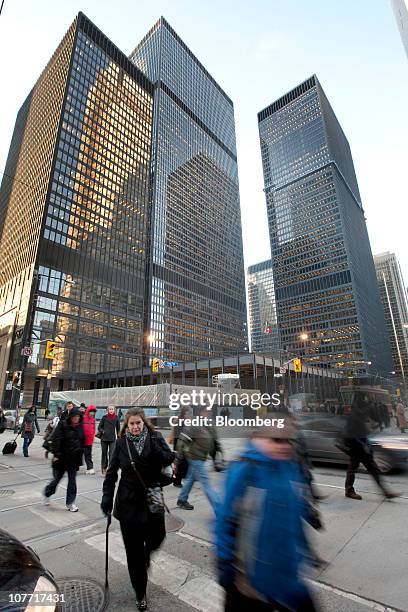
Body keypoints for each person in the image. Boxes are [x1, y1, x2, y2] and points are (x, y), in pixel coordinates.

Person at [216, 418, 317, 611]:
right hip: (250, 583)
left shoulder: (291, 470)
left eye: (288, 440)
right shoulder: (245, 470)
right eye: (276, 440)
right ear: (259, 438)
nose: (284, 446)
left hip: (288, 578)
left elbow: (295, 520)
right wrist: (225, 565)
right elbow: (225, 520)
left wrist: (307, 551)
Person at [101, 408, 175, 610]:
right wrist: (106, 499)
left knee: (158, 537)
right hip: (128, 503)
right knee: (133, 554)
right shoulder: (121, 443)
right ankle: (140, 593)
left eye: (138, 423)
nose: (135, 427)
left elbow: (169, 459)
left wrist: (155, 444)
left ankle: (146, 556)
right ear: (127, 425)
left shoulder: (155, 437)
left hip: (153, 497)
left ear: (144, 423)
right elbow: (111, 473)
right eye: (132, 424)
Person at [342, 394, 399, 500]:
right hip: (357, 448)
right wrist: (363, 444)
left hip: (362, 447)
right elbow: (351, 433)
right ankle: (349, 490)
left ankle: (385, 492)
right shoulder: (354, 416)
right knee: (354, 469)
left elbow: (363, 431)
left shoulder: (359, 415)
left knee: (373, 469)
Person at [176, 406, 219, 511]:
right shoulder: (193, 424)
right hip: (195, 458)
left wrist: (217, 451)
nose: (209, 412)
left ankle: (182, 499)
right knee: (206, 483)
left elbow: (212, 439)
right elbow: (182, 441)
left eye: (209, 410)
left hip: (200, 457)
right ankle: (220, 510)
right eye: (206, 410)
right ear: (200, 412)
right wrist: (178, 458)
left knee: (191, 478)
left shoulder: (206, 423)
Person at [43, 407, 85, 512]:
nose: (76, 419)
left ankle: (70, 503)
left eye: (78, 417)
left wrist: (81, 455)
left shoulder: (80, 427)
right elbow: (56, 439)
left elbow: (82, 441)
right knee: (56, 480)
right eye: (74, 417)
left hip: (73, 459)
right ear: (70, 417)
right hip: (62, 457)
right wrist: (56, 454)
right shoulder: (63, 424)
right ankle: (47, 493)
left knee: (72, 481)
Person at [167, 406, 191, 487]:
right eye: (188, 413)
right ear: (184, 413)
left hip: (183, 446)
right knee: (180, 464)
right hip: (180, 446)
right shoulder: (180, 423)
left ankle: (177, 480)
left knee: (182, 464)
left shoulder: (184, 421)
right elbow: (178, 436)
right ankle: (176, 481)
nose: (189, 415)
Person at [98, 405, 120, 475]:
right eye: (110, 409)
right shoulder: (104, 417)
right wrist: (102, 431)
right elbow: (99, 427)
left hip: (112, 439)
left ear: (114, 410)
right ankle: (104, 468)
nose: (111, 410)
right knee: (104, 454)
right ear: (107, 410)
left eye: (112, 409)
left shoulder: (116, 418)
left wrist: (119, 438)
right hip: (104, 439)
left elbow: (118, 429)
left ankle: (110, 469)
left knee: (111, 454)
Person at [83, 404, 97, 474]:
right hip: (82, 440)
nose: (92, 414)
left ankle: (90, 468)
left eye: (93, 412)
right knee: (78, 453)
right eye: (91, 412)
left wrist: (92, 437)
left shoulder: (93, 420)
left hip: (89, 441)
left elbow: (94, 429)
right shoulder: (83, 418)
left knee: (88, 455)